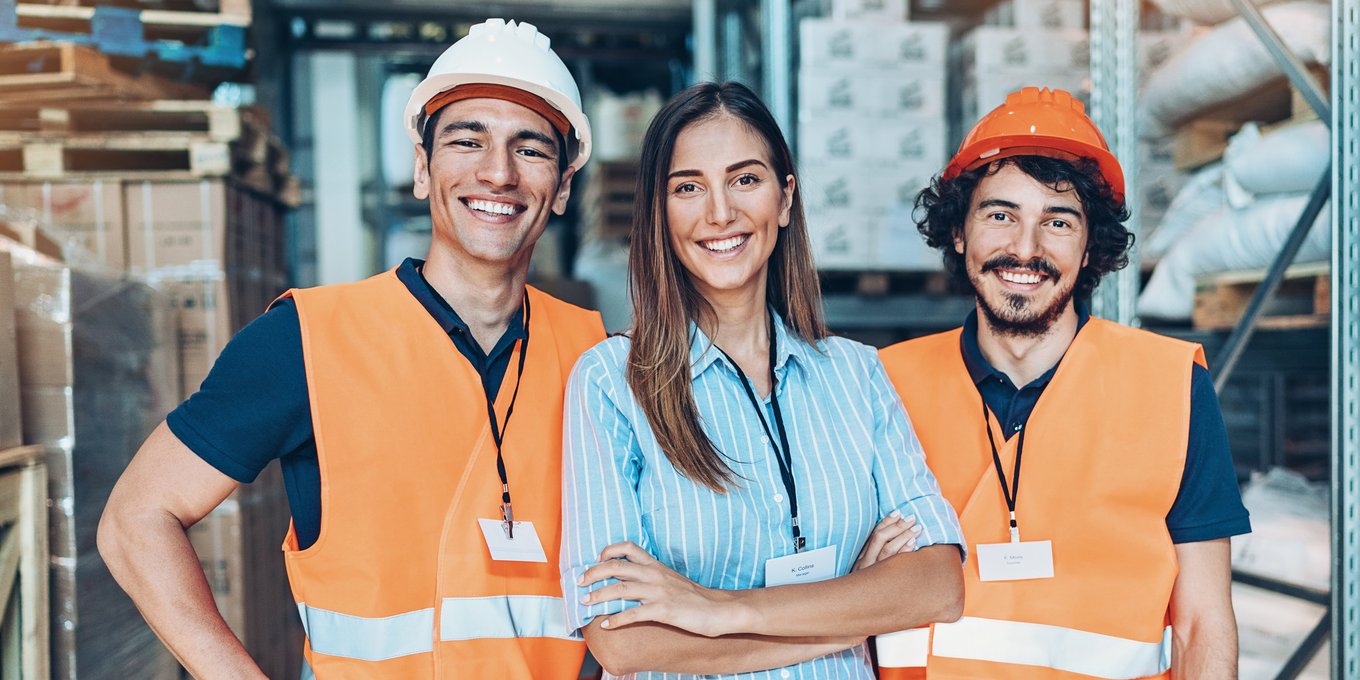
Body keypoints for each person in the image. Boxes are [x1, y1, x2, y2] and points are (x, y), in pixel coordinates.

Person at [97, 19, 605, 679]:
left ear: (562, 187)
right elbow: (136, 519)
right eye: (467, 140)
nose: (497, 172)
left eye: (530, 149)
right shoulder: (306, 340)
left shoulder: (597, 358)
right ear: (422, 168)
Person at [559, 81, 966, 680]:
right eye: (688, 187)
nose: (720, 212)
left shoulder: (856, 374)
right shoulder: (611, 384)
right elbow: (622, 641)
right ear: (659, 214)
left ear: (785, 199)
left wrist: (718, 609)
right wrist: (856, 607)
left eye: (745, 179)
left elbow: (937, 585)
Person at [874, 87, 1250, 680]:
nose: (1025, 249)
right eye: (1000, 215)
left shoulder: (1173, 387)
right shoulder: (882, 386)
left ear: (1090, 246)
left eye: (1057, 221)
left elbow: (1202, 625)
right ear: (959, 232)